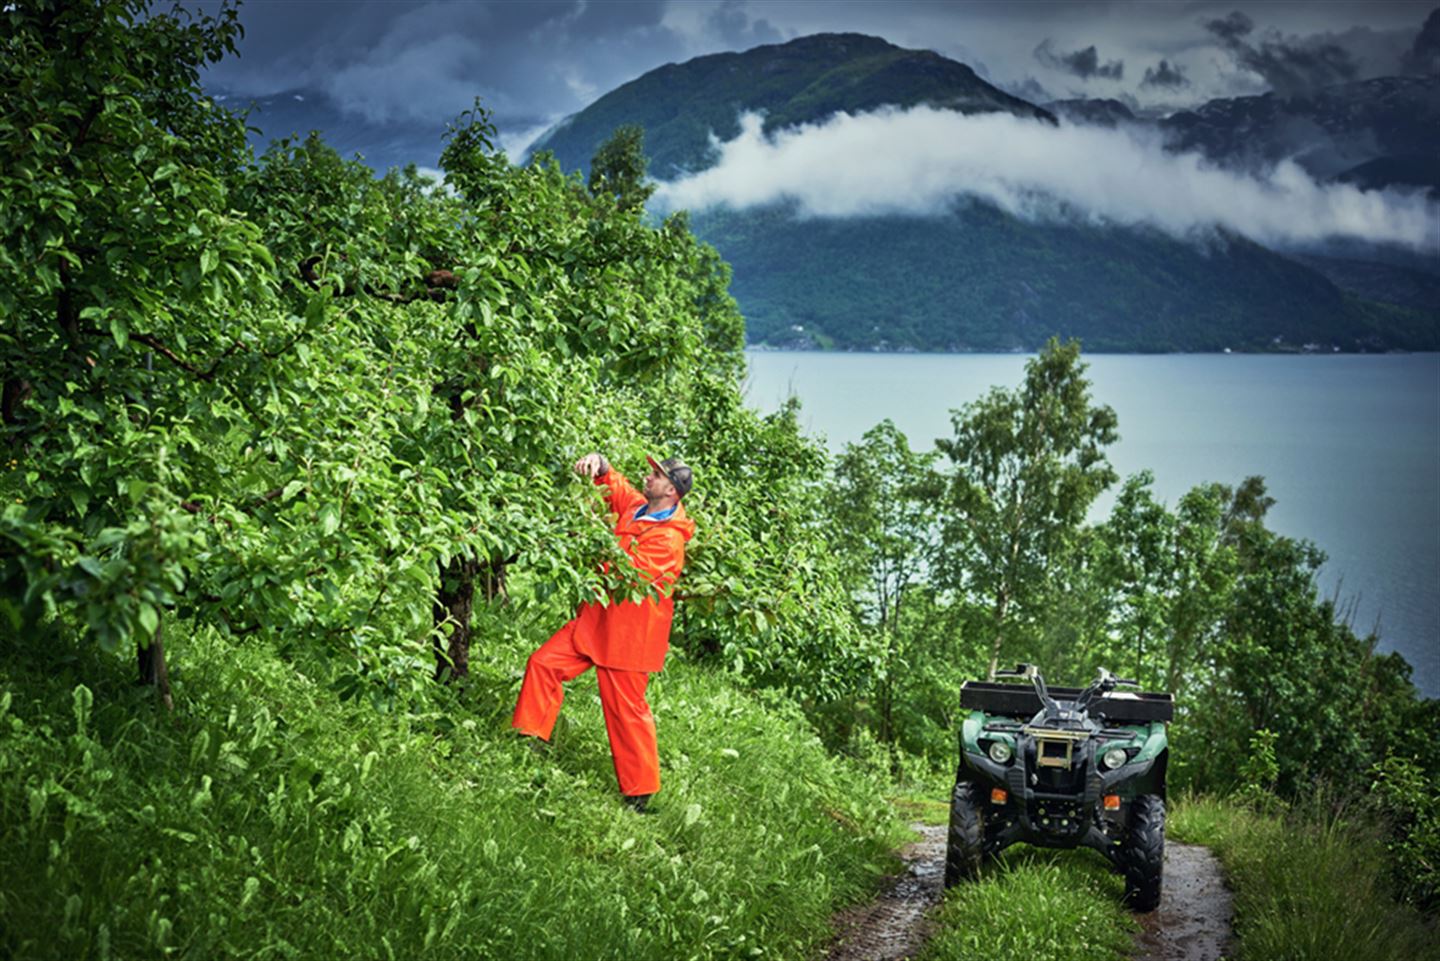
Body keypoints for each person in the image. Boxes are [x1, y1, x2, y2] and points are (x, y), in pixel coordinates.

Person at [511, 451, 695, 812]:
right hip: (595, 622)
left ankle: (639, 793)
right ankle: (527, 739)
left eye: (656, 475)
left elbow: (630, 574)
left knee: (627, 713)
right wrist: (601, 464)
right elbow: (617, 486)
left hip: (630, 638)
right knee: (543, 664)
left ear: (672, 491)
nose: (648, 477)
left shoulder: (670, 541)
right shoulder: (638, 508)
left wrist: (588, 546)